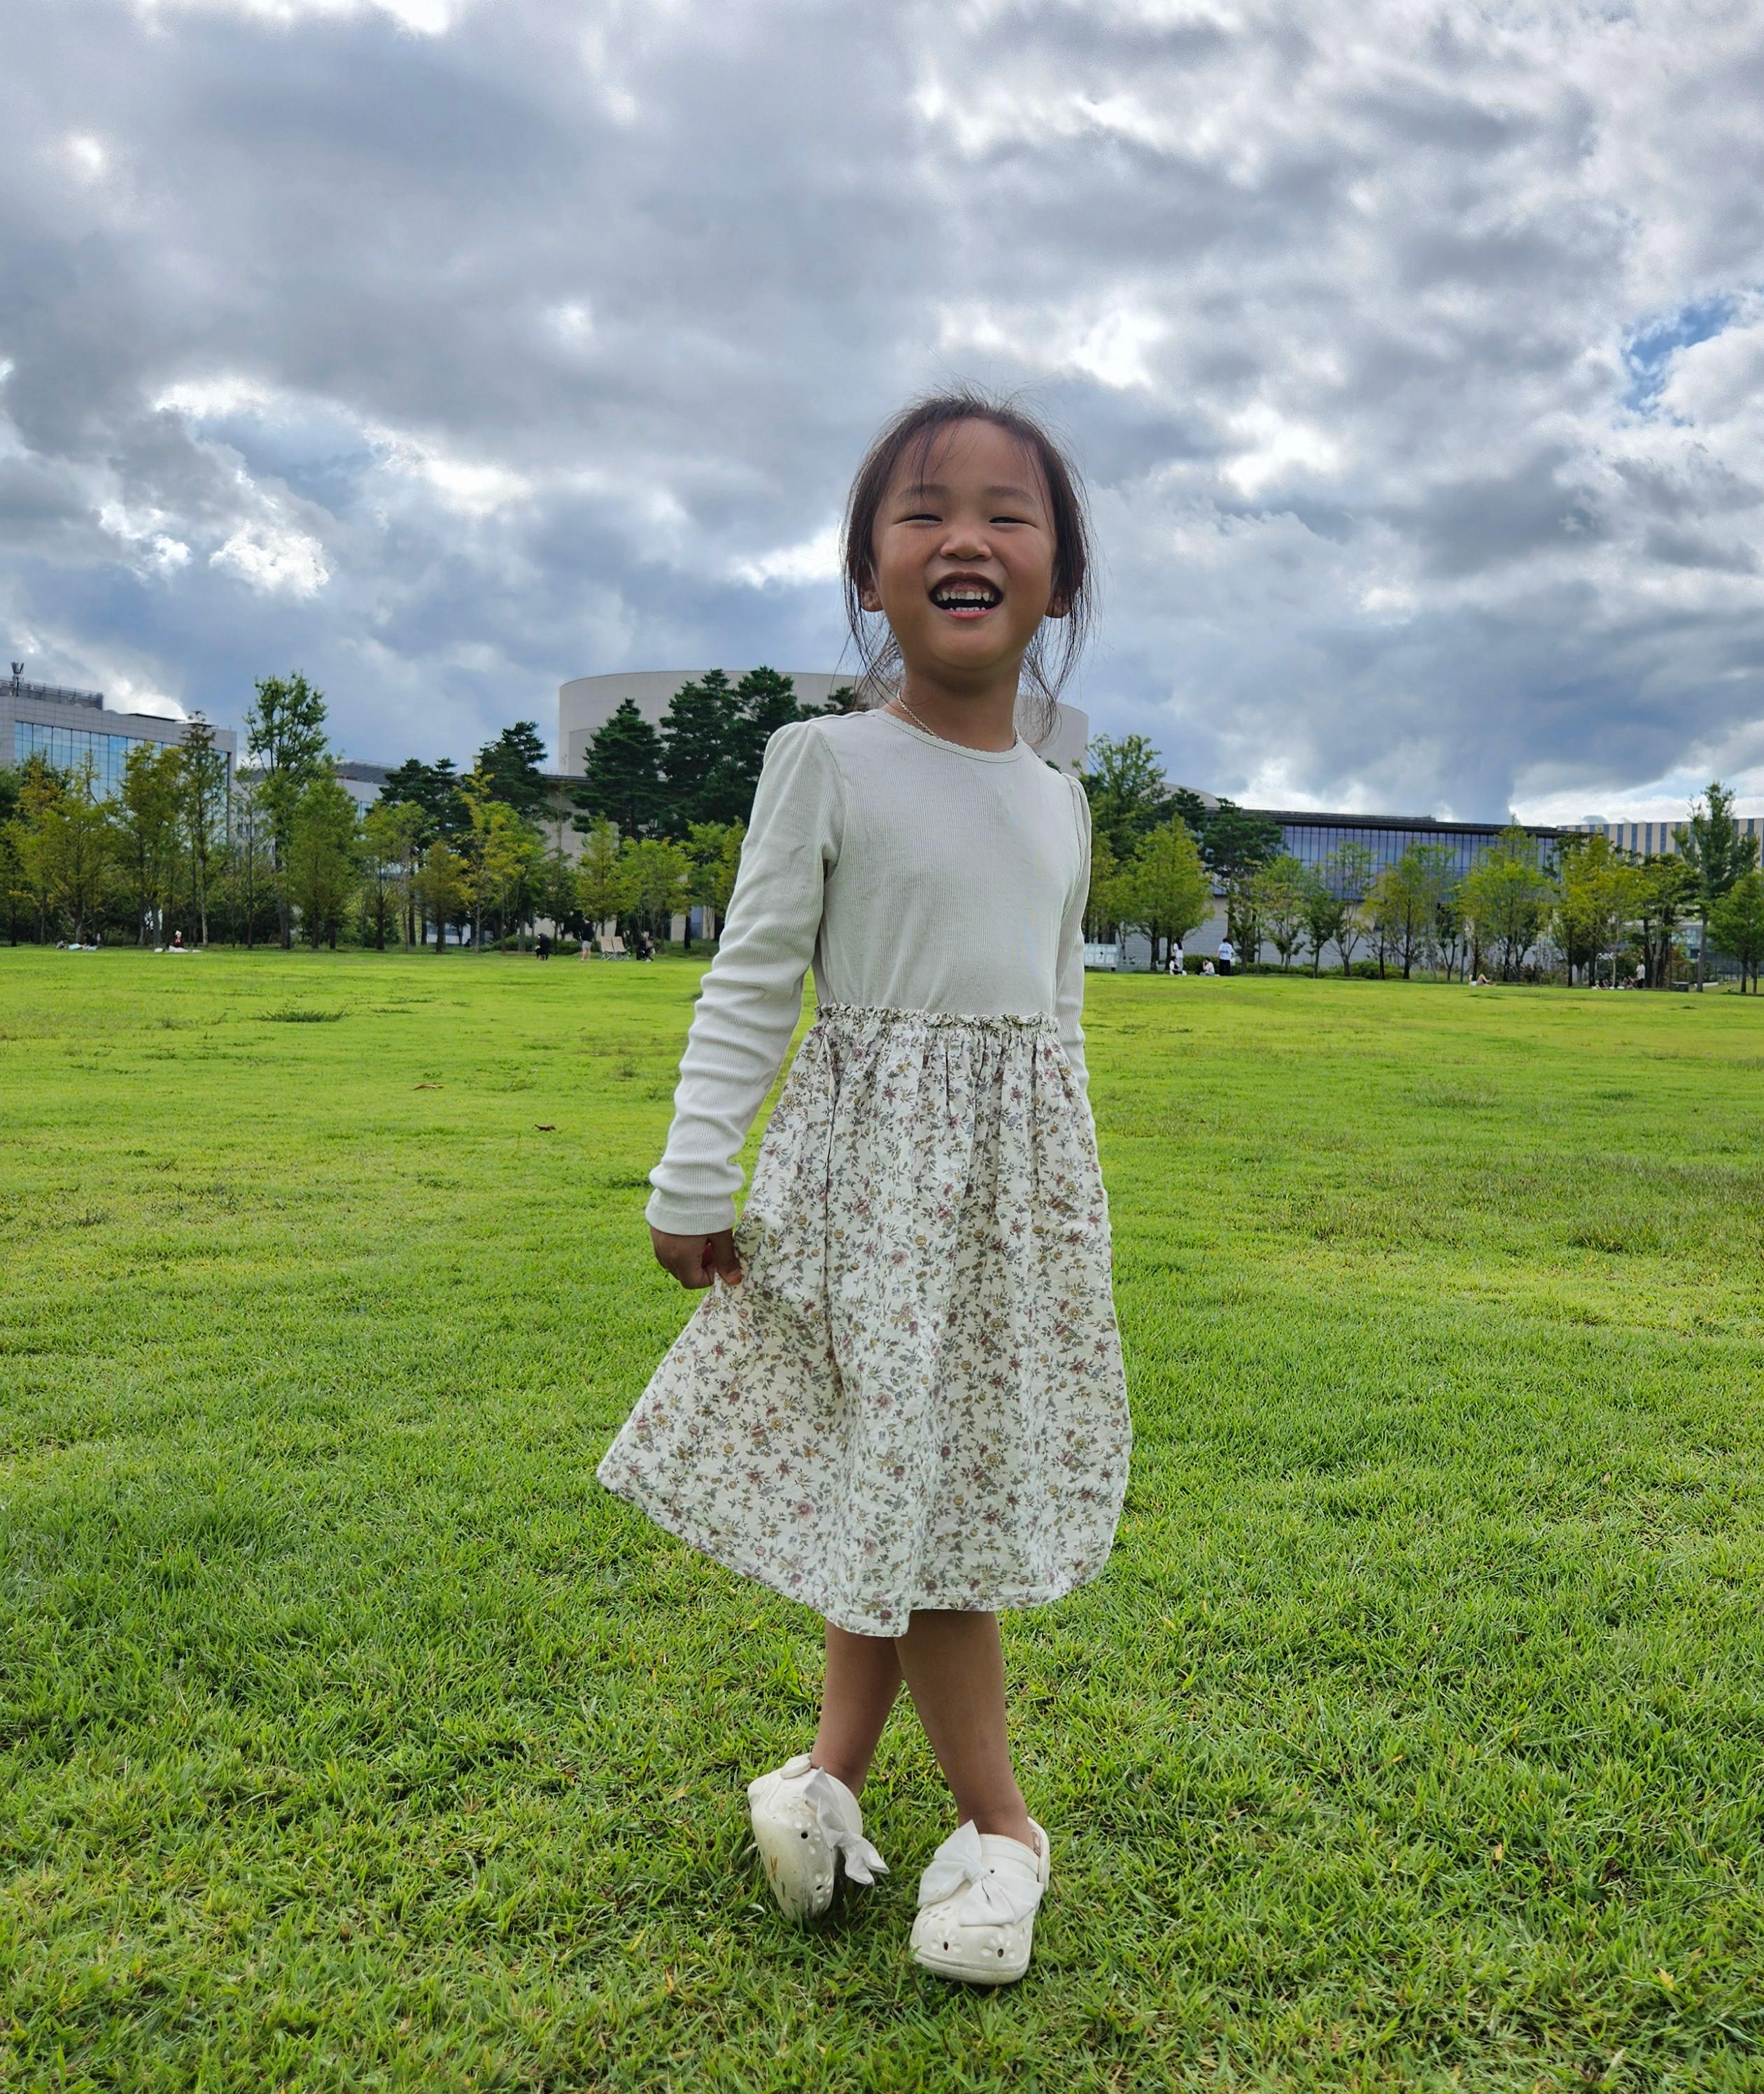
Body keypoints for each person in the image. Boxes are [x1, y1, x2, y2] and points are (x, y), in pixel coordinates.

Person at [596, 391, 1128, 1988]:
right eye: (923, 512)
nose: (966, 538)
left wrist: (1064, 1211)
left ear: (1058, 575)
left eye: (1007, 514)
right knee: (908, 1497)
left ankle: (834, 1780)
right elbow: (752, 977)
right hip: (862, 1195)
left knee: (902, 1489)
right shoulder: (823, 761)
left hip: (1005, 1208)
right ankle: (1000, 1823)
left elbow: (1058, 1018)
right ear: (867, 569)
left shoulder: (1061, 796)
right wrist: (694, 1171)